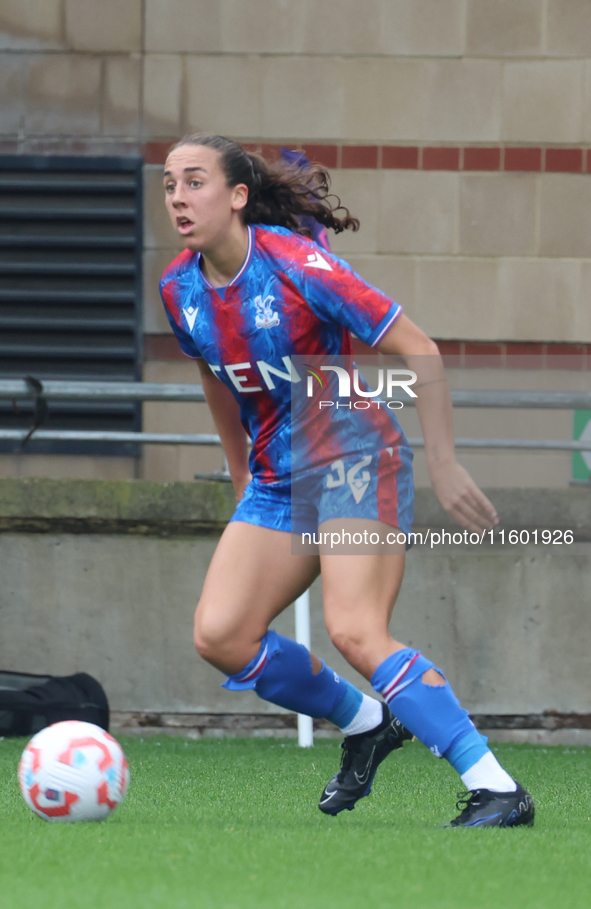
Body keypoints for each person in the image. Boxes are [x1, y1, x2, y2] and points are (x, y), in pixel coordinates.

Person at [159, 133, 534, 828]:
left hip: (354, 459)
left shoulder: (300, 265)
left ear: (237, 196)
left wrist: (445, 461)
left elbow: (417, 348)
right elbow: (213, 370)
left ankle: (497, 786)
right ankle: (366, 723)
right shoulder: (178, 289)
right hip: (278, 479)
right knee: (220, 633)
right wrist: (241, 469)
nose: (178, 197)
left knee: (356, 631)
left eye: (194, 181)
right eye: (169, 184)